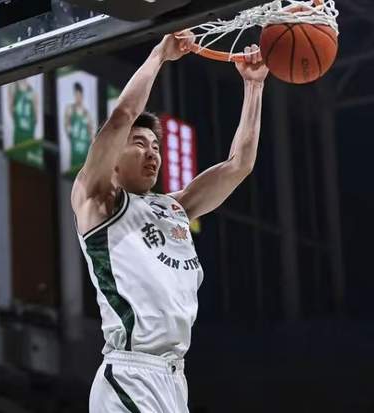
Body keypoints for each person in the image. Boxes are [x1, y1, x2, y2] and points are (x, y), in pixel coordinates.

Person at [71, 32, 268, 413]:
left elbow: (239, 165)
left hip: (174, 378)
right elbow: (122, 116)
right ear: (112, 157)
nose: (152, 153)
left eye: (156, 146)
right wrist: (159, 55)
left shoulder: (175, 207)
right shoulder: (98, 200)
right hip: (130, 375)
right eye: (139, 143)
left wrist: (254, 87)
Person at [64, 82, 94, 167]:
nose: (77, 97)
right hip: (75, 151)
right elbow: (66, 124)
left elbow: (91, 134)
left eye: (79, 95)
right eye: (76, 95)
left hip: (85, 152)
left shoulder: (87, 114)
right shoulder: (70, 109)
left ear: (82, 95)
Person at [8, 78, 38, 145]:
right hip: (19, 125)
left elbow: (35, 112)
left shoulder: (32, 91)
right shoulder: (13, 87)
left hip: (29, 125)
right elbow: (11, 107)